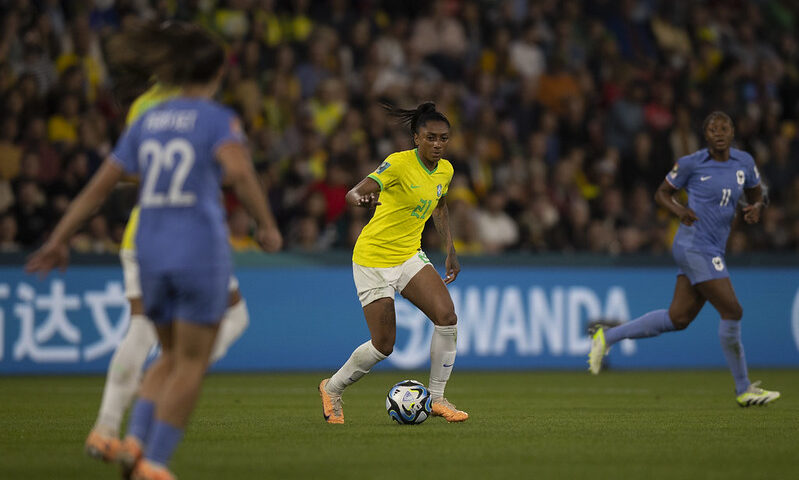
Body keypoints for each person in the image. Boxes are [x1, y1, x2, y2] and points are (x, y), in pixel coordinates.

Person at [26, 22, 282, 480]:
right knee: (190, 363)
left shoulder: (147, 118)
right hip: (198, 248)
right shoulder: (216, 118)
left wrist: (57, 239)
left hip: (149, 248)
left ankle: (132, 441)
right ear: (217, 72)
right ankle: (154, 460)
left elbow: (99, 187)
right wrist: (266, 225)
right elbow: (241, 173)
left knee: (165, 355)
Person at [83, 64, 250, 462]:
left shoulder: (147, 106)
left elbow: (130, 170)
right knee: (168, 332)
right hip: (187, 236)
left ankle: (110, 427)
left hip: (148, 235)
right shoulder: (199, 109)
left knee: (150, 330)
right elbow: (231, 171)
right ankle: (153, 395)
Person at [587, 111, 780, 407]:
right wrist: (679, 211)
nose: (718, 132)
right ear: (706, 135)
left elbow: (755, 193)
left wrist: (756, 207)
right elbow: (661, 194)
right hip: (694, 245)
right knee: (733, 310)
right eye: (712, 128)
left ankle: (607, 337)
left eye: (724, 127)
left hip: (714, 248)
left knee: (677, 318)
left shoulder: (745, 162)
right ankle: (743, 389)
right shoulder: (692, 163)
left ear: (732, 132)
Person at [319, 102, 467, 424]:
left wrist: (450, 248)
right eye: (431, 138)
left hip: (408, 254)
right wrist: (362, 198)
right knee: (383, 345)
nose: (438, 144)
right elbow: (353, 193)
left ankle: (438, 399)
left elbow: (439, 206)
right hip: (373, 258)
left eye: (444, 138)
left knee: (447, 316)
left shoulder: (446, 170)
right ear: (417, 138)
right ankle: (332, 389)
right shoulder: (398, 164)